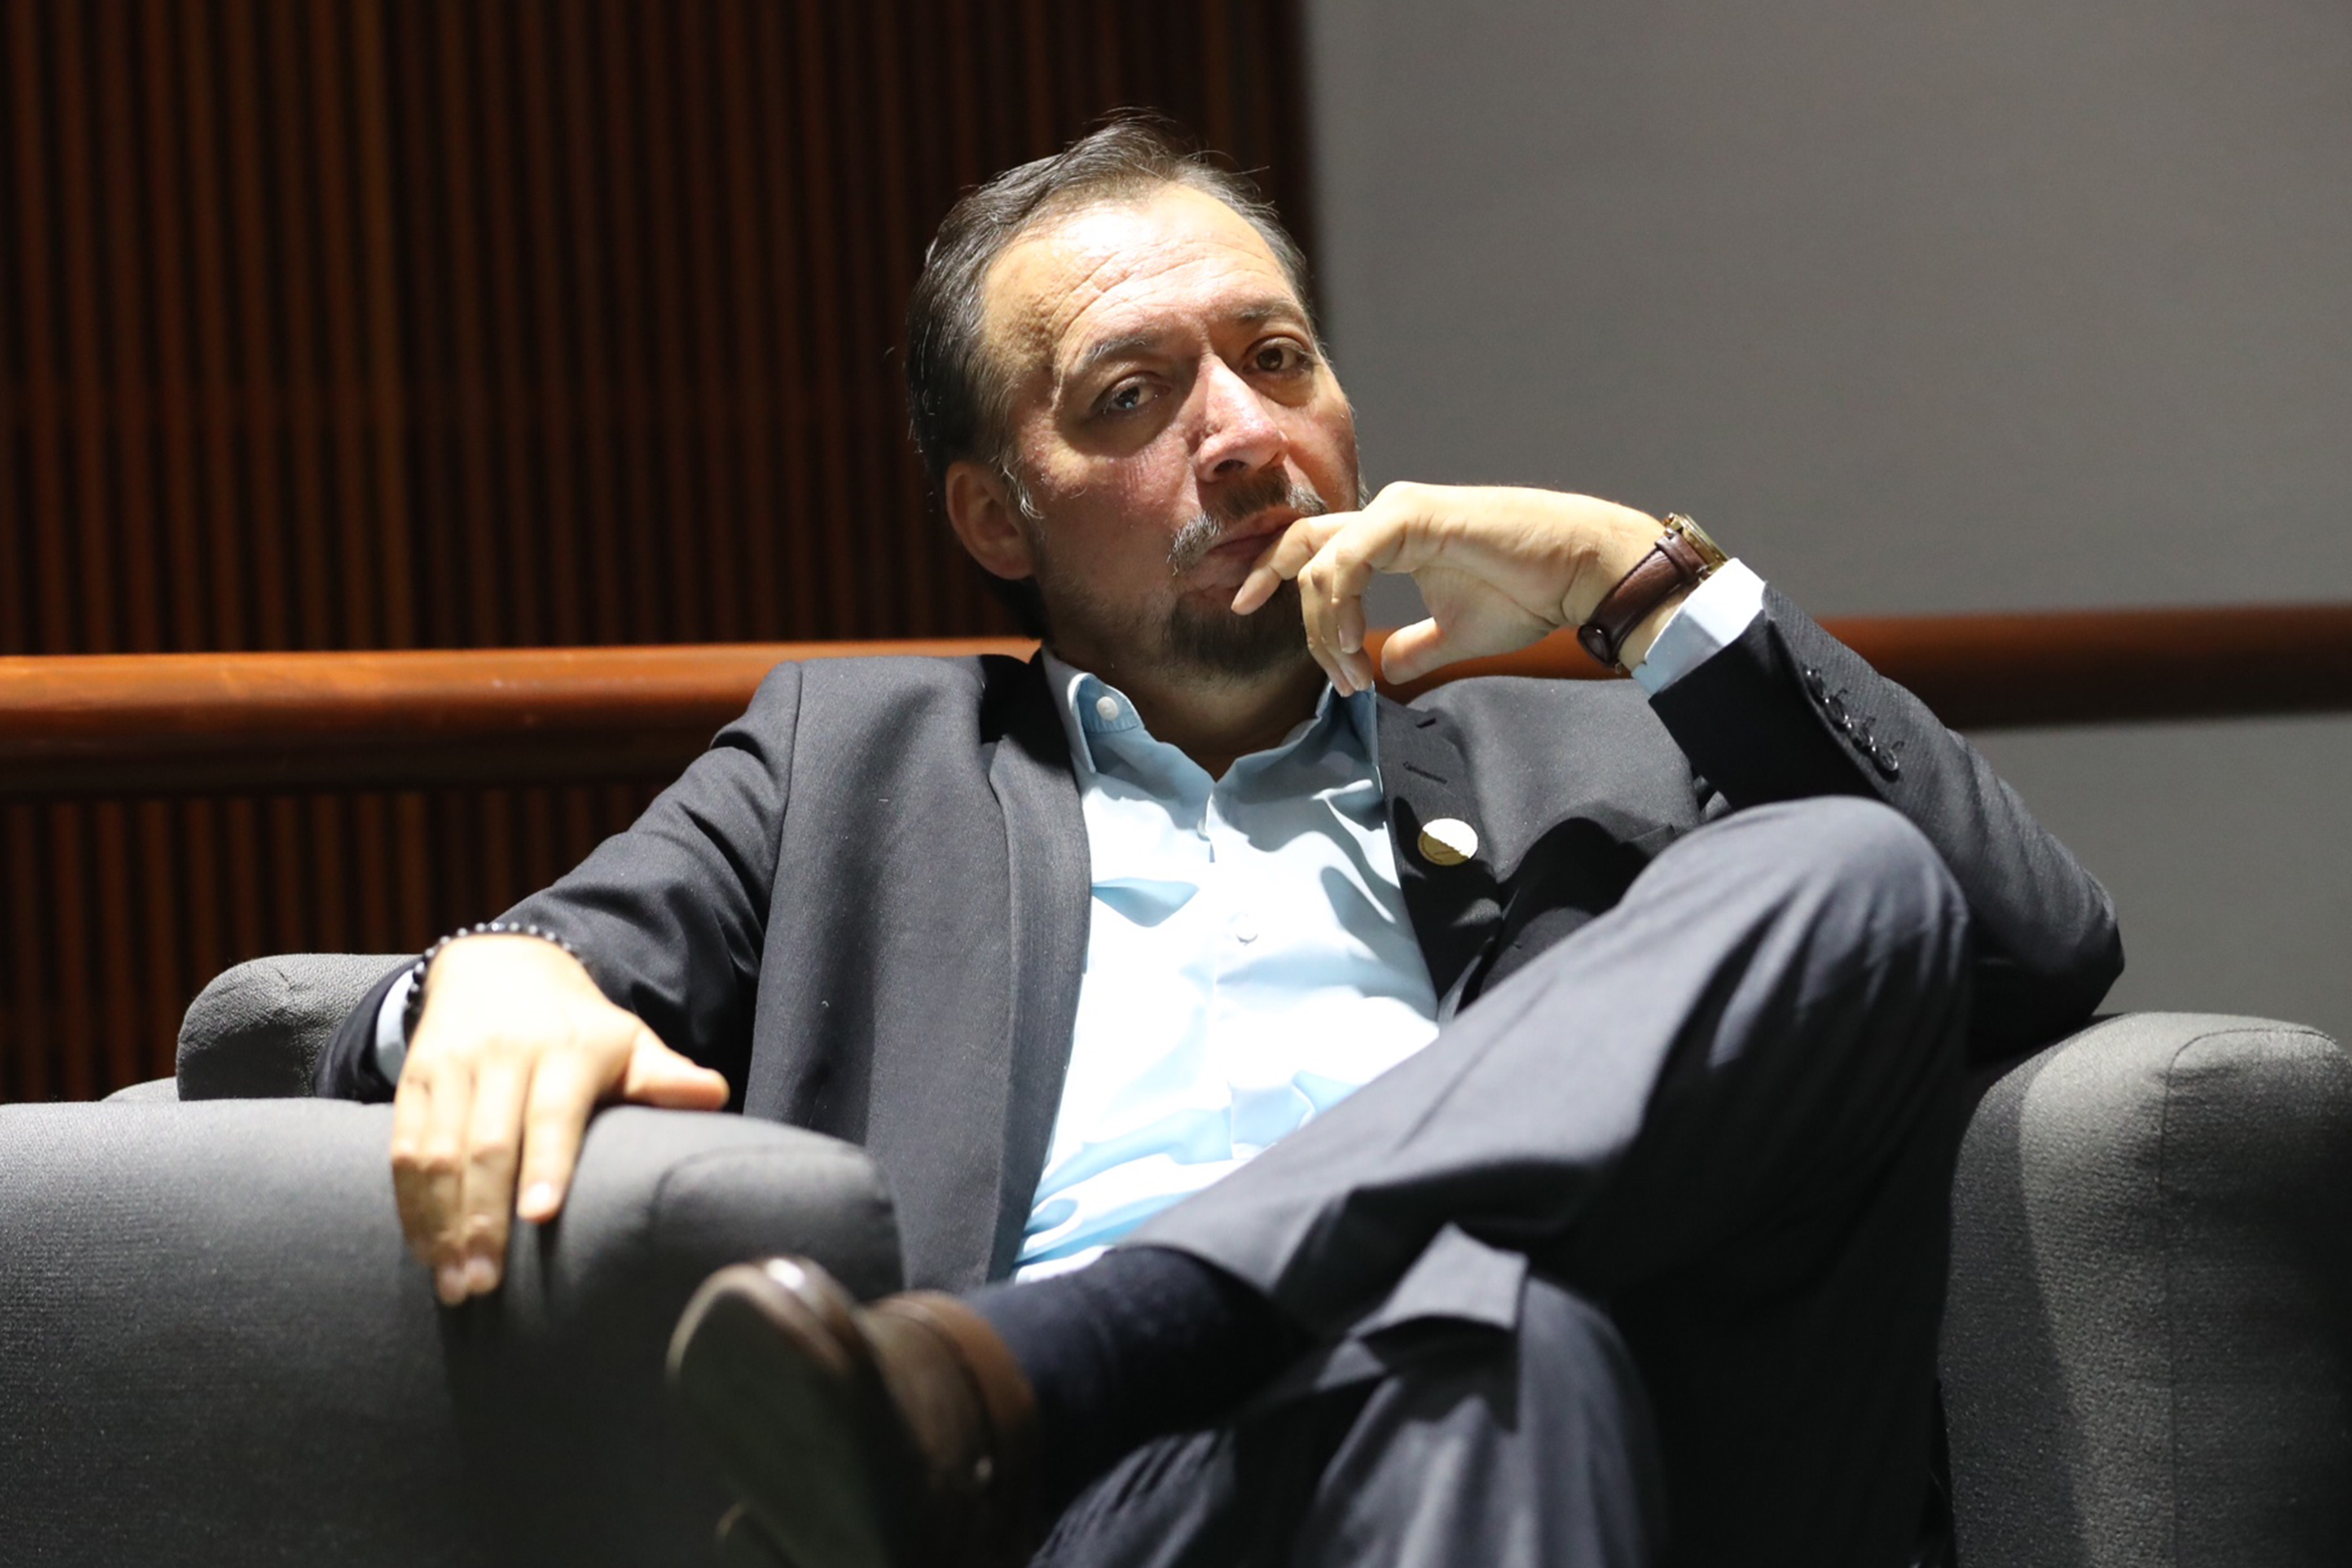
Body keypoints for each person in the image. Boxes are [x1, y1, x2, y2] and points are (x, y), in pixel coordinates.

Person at [320, 116, 2119, 1568]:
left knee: (1837, 884)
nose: (1248, 436)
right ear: (995, 518)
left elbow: (2031, 948)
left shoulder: (1591, 758)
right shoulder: (857, 764)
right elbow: (392, 1022)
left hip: (1605, 1468)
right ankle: (1062, 1378)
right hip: (1087, 1526)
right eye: (1130, 394)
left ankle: (1045, 1362)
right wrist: (492, 978)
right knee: (1481, 1336)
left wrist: (1632, 581)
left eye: (1276, 361)